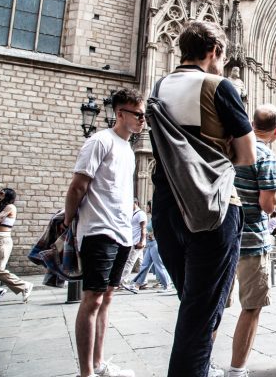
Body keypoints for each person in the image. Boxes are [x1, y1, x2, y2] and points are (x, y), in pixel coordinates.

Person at [150, 20, 256, 377]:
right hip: (212, 207)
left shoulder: (159, 86)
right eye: (221, 57)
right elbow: (246, 155)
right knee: (199, 313)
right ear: (213, 52)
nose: (221, 64)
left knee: (194, 303)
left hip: (166, 206)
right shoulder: (218, 86)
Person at [63, 88, 145, 377]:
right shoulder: (99, 141)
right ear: (120, 113)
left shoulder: (127, 148)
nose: (142, 120)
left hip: (122, 233)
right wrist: (69, 220)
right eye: (138, 114)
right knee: (93, 298)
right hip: (99, 230)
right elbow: (77, 185)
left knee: (107, 297)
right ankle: (85, 372)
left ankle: (98, 365)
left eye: (144, 115)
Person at [228, 104, 276, 377]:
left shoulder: (230, 147)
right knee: (251, 307)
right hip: (251, 240)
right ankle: (237, 370)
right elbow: (268, 205)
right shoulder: (265, 155)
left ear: (251, 122)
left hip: (223, 239)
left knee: (212, 307)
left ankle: (199, 366)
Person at [0, 188, 33, 304]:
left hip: (2, 240)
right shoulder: (0, 208)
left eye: (2, 193)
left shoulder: (10, 207)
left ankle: (24, 286)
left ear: (8, 195)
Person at [131, 201, 170, 292]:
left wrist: (153, 234)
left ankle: (167, 285)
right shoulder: (153, 217)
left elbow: (162, 228)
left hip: (155, 243)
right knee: (145, 264)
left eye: (148, 206)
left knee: (159, 265)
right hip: (150, 244)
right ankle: (136, 285)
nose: (146, 207)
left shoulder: (159, 216)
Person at [119, 198, 147, 287]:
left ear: (135, 203)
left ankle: (122, 281)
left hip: (137, 242)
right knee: (141, 263)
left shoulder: (141, 214)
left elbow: (143, 228)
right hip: (133, 241)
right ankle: (143, 281)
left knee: (129, 261)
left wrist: (141, 241)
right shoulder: (132, 214)